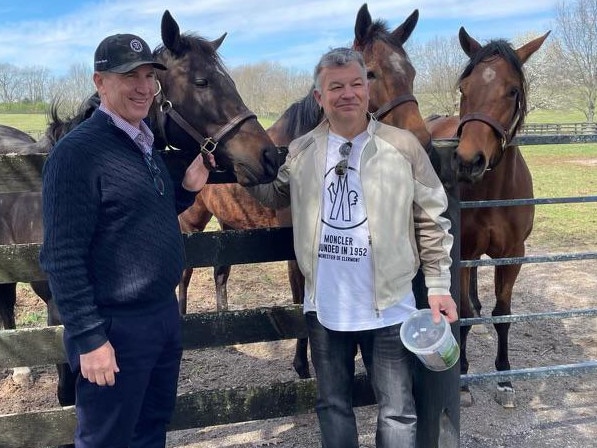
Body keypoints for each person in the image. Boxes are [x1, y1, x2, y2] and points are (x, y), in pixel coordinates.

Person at [248, 47, 458, 447]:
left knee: (397, 409)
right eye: (336, 86)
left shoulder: (403, 147)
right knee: (332, 404)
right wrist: (217, 162)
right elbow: (273, 193)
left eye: (356, 84)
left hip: (390, 306)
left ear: (367, 89)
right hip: (325, 307)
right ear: (319, 97)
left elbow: (431, 217)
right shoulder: (302, 149)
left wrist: (438, 285)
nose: (348, 93)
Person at [40, 33, 214, 447]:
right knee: (107, 438)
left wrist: (186, 190)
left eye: (149, 76)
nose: (143, 87)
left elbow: (135, 218)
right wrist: (90, 338)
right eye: (128, 76)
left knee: (151, 431)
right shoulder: (77, 154)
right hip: (115, 327)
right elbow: (61, 256)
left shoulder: (144, 143)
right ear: (100, 83)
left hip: (161, 317)